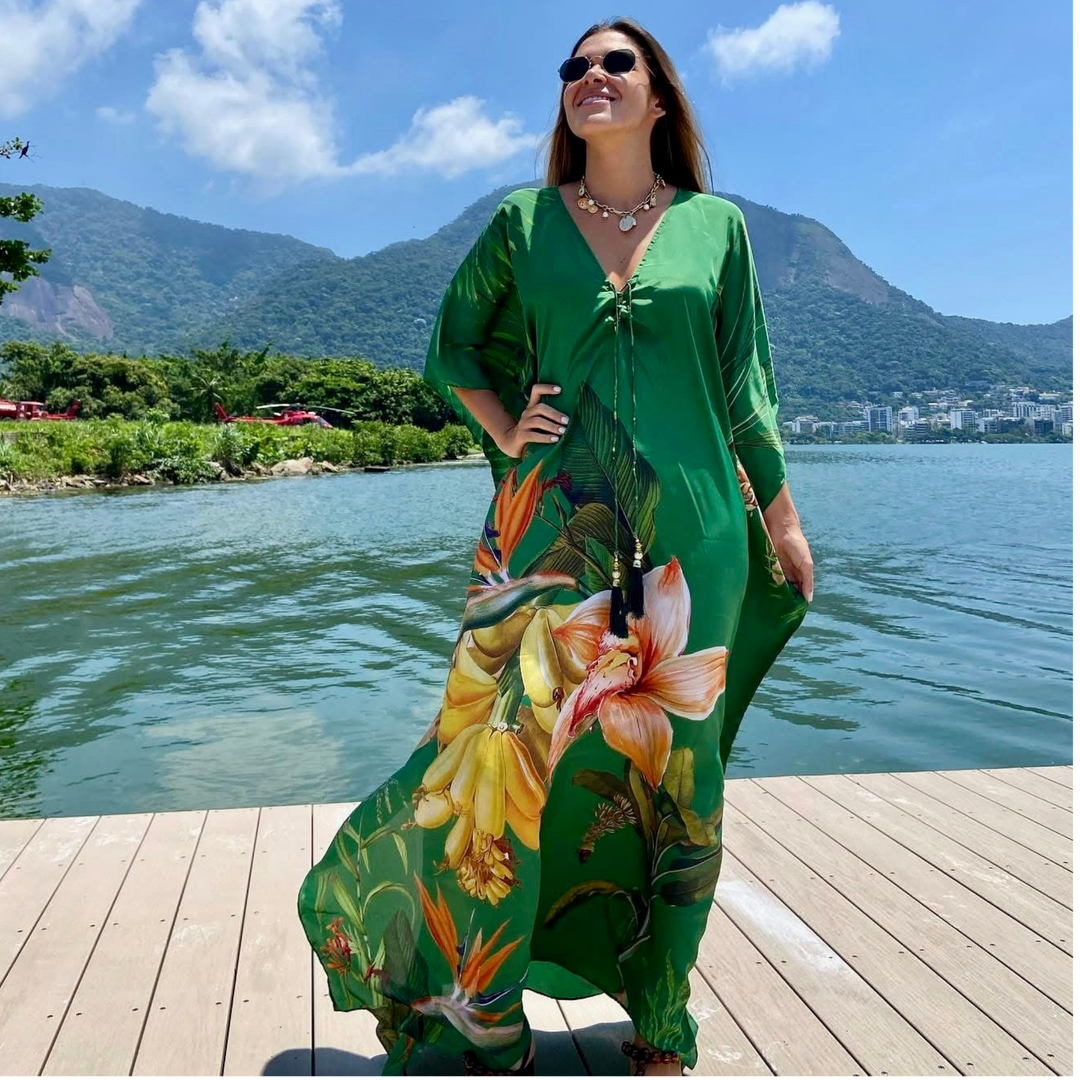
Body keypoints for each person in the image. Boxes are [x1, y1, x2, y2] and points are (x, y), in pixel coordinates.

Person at [298, 16, 814, 1080]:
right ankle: (490, 1023)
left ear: (660, 96)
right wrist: (505, 430)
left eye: (616, 62)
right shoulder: (523, 222)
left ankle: (661, 1022)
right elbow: (453, 348)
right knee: (495, 761)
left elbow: (745, 388)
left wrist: (782, 516)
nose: (589, 76)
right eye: (574, 66)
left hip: (694, 541)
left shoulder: (717, 228)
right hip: (545, 533)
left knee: (675, 782)